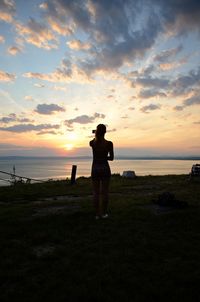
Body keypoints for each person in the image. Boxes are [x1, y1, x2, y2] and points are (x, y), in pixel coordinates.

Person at [89, 124, 114, 219]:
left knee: (95, 193)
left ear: (96, 131)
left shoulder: (92, 143)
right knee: (105, 192)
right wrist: (104, 157)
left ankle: (96, 214)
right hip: (105, 168)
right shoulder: (109, 143)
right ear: (105, 132)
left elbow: (94, 139)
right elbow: (111, 158)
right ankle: (103, 214)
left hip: (95, 168)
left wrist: (95, 132)